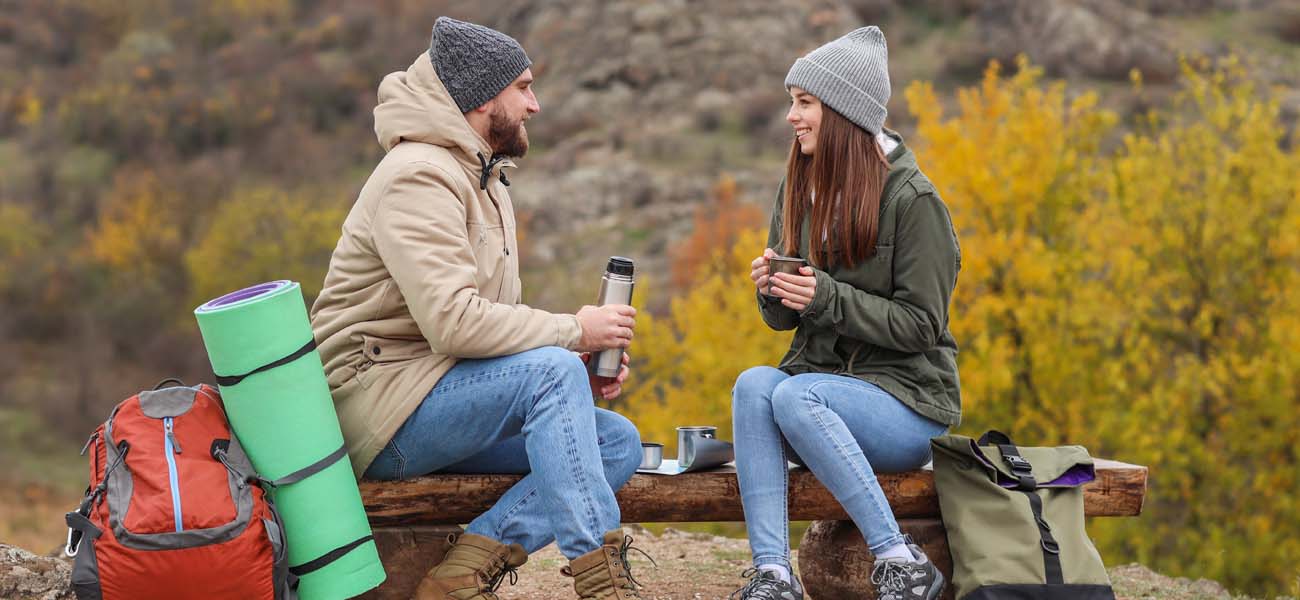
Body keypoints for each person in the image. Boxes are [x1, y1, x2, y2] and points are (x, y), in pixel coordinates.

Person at [310, 17, 651, 600]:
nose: (535, 105)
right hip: (379, 410)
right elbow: (454, 323)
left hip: (432, 393)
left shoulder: (484, 177)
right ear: (481, 98)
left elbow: (492, 331)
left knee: (616, 442)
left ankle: (462, 572)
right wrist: (574, 333)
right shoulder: (419, 176)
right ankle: (603, 583)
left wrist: (575, 376)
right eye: (523, 88)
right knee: (553, 371)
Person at [729, 26, 961, 600]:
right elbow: (784, 323)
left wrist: (825, 297)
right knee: (754, 385)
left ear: (842, 113)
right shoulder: (799, 186)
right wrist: (774, 290)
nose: (791, 116)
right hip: (821, 397)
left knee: (794, 395)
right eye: (792, 101)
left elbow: (922, 326)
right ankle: (772, 575)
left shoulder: (914, 201)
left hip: (907, 403)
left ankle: (899, 560)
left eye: (805, 102)